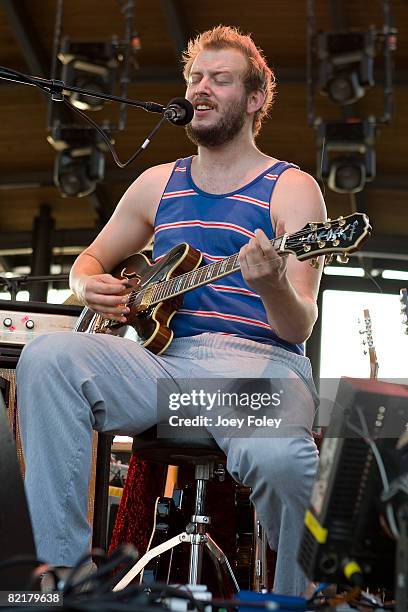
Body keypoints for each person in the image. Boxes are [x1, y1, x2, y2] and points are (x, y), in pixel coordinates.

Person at [16, 25, 327, 595]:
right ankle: (65, 583)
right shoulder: (156, 183)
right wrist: (86, 286)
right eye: (195, 78)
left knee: (284, 464)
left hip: (258, 367)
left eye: (220, 79)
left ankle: (293, 602)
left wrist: (273, 286)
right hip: (170, 378)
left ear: (256, 99)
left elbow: (298, 324)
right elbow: (88, 260)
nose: (200, 89)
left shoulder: (293, 188)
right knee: (48, 357)